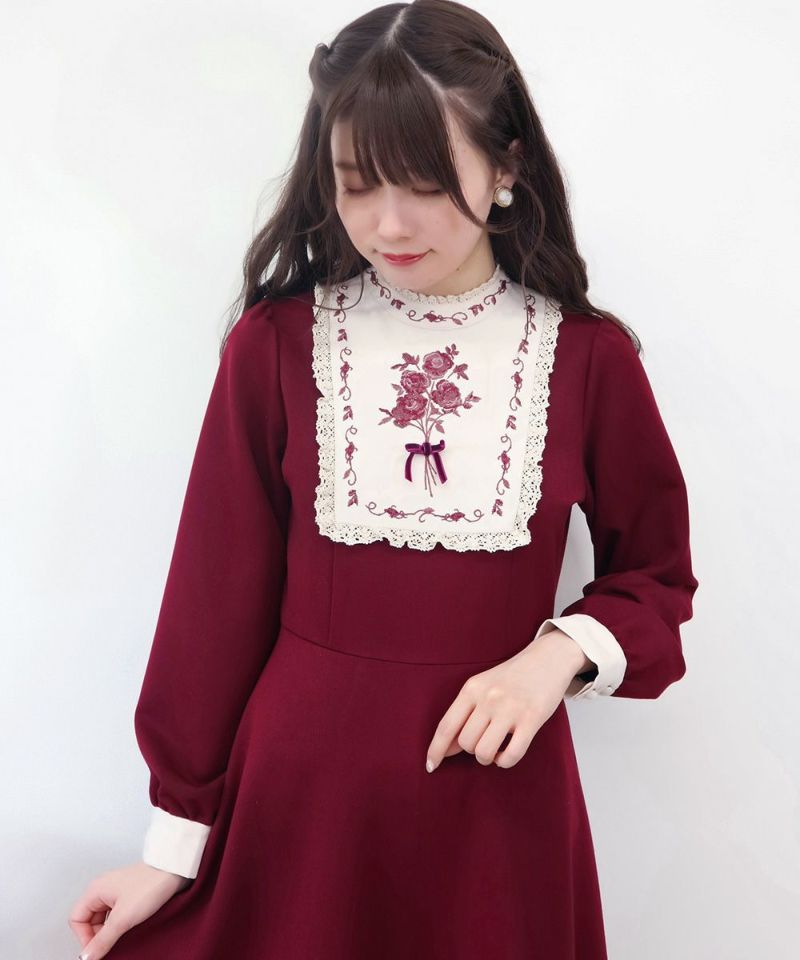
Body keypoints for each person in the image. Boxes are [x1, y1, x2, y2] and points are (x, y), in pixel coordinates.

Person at [68, 1, 700, 957]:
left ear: (507, 167)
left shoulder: (586, 359)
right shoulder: (277, 347)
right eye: (357, 185)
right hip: (300, 812)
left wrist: (554, 656)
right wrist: (173, 847)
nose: (388, 225)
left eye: (425, 185)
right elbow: (212, 604)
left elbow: (656, 575)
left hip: (499, 813)